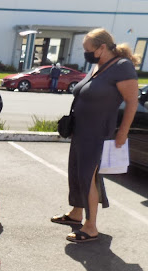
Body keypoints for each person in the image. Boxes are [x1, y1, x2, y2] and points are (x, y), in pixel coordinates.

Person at [51, 28, 139, 243]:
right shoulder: (98, 66)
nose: (85, 53)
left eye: (87, 49)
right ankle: (76, 213)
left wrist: (123, 133)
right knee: (76, 172)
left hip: (99, 133)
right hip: (82, 131)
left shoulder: (121, 67)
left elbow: (132, 102)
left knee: (88, 176)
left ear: (101, 47)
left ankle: (90, 227)